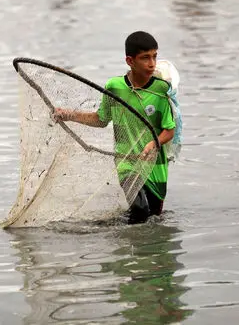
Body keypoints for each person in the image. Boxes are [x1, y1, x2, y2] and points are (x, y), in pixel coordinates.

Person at [53, 31, 176, 224]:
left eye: (154, 56)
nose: (152, 63)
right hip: (126, 160)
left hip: (155, 165)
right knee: (140, 209)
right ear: (130, 61)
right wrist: (69, 115)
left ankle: (125, 241)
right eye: (145, 58)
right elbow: (101, 119)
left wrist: (153, 143)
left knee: (153, 218)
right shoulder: (115, 87)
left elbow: (169, 130)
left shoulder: (161, 90)